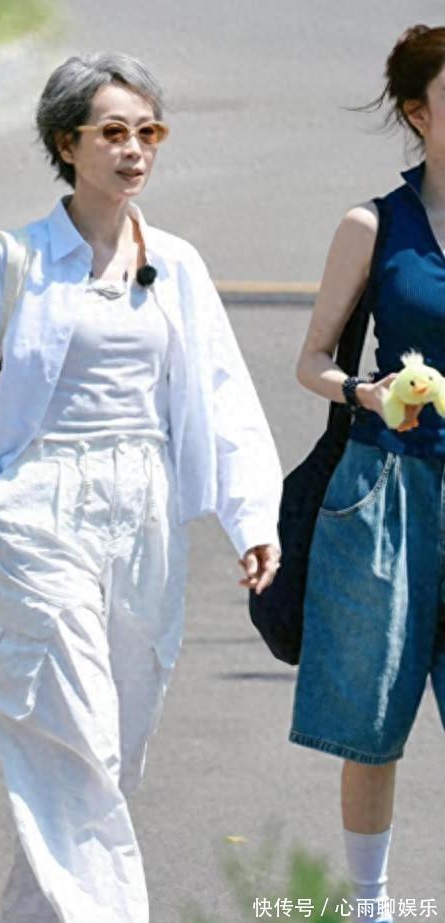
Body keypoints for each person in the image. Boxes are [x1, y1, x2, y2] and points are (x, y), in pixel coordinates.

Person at [0, 52, 282, 923]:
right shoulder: (10, 259)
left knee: (111, 743)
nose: (134, 150)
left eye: (148, 132)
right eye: (113, 132)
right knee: (67, 723)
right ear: (65, 143)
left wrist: (250, 518)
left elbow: (224, 395)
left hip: (145, 507)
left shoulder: (178, 265)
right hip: (42, 502)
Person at [291, 24, 445, 923]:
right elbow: (311, 359)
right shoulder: (372, 225)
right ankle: (369, 905)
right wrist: (364, 391)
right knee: (372, 713)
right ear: (419, 114)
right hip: (387, 488)